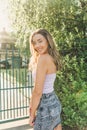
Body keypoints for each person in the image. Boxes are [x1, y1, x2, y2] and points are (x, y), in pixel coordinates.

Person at [29, 28, 62, 130]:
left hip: (45, 105)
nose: (37, 46)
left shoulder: (43, 58)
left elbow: (38, 91)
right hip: (53, 101)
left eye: (40, 41)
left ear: (48, 40)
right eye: (34, 43)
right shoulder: (51, 57)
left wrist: (32, 112)